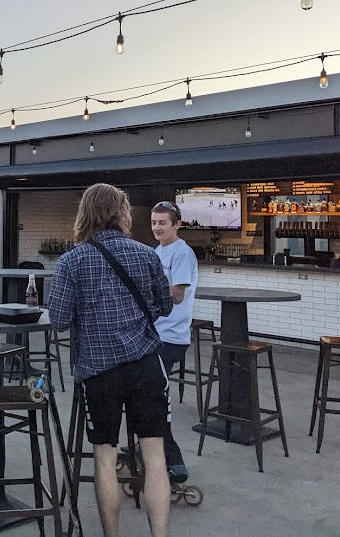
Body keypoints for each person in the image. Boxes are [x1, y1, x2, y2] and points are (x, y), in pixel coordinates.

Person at [48, 183, 173, 537]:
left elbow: (58, 320)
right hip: (146, 365)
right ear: (122, 212)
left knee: (105, 456)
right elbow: (165, 305)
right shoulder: (146, 254)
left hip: (99, 371)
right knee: (155, 455)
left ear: (85, 214)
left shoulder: (71, 261)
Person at [151, 200, 199, 483]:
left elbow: (178, 295)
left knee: (154, 397)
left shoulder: (182, 253)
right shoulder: (158, 251)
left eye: (162, 223)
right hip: (155, 333)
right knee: (149, 394)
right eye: (154, 222)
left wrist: (148, 284)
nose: (157, 228)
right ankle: (151, 448)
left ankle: (173, 460)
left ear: (176, 224)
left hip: (171, 337)